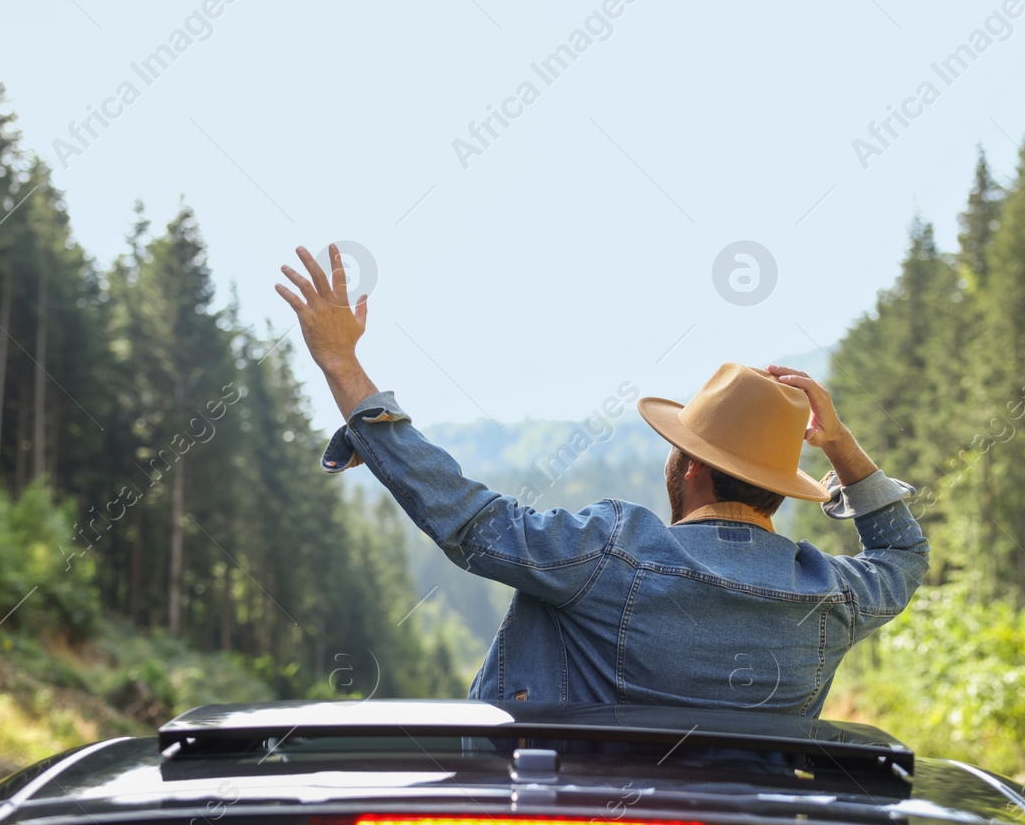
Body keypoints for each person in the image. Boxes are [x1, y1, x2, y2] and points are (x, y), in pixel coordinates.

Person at [276, 245, 928, 715]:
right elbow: (903, 552)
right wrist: (840, 443)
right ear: (782, 487)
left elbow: (469, 519)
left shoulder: (611, 550)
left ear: (690, 466)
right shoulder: (834, 594)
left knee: (545, 586)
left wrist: (339, 361)